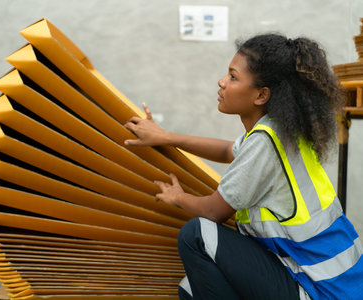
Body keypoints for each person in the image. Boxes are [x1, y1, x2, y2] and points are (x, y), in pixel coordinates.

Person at [124, 34, 363, 299]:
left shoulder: (267, 142)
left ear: (261, 95)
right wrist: (166, 137)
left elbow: (212, 211)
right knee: (190, 289)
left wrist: (177, 197)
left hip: (320, 290)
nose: (222, 82)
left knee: (197, 234)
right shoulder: (275, 132)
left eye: (233, 77)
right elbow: (228, 150)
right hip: (321, 279)